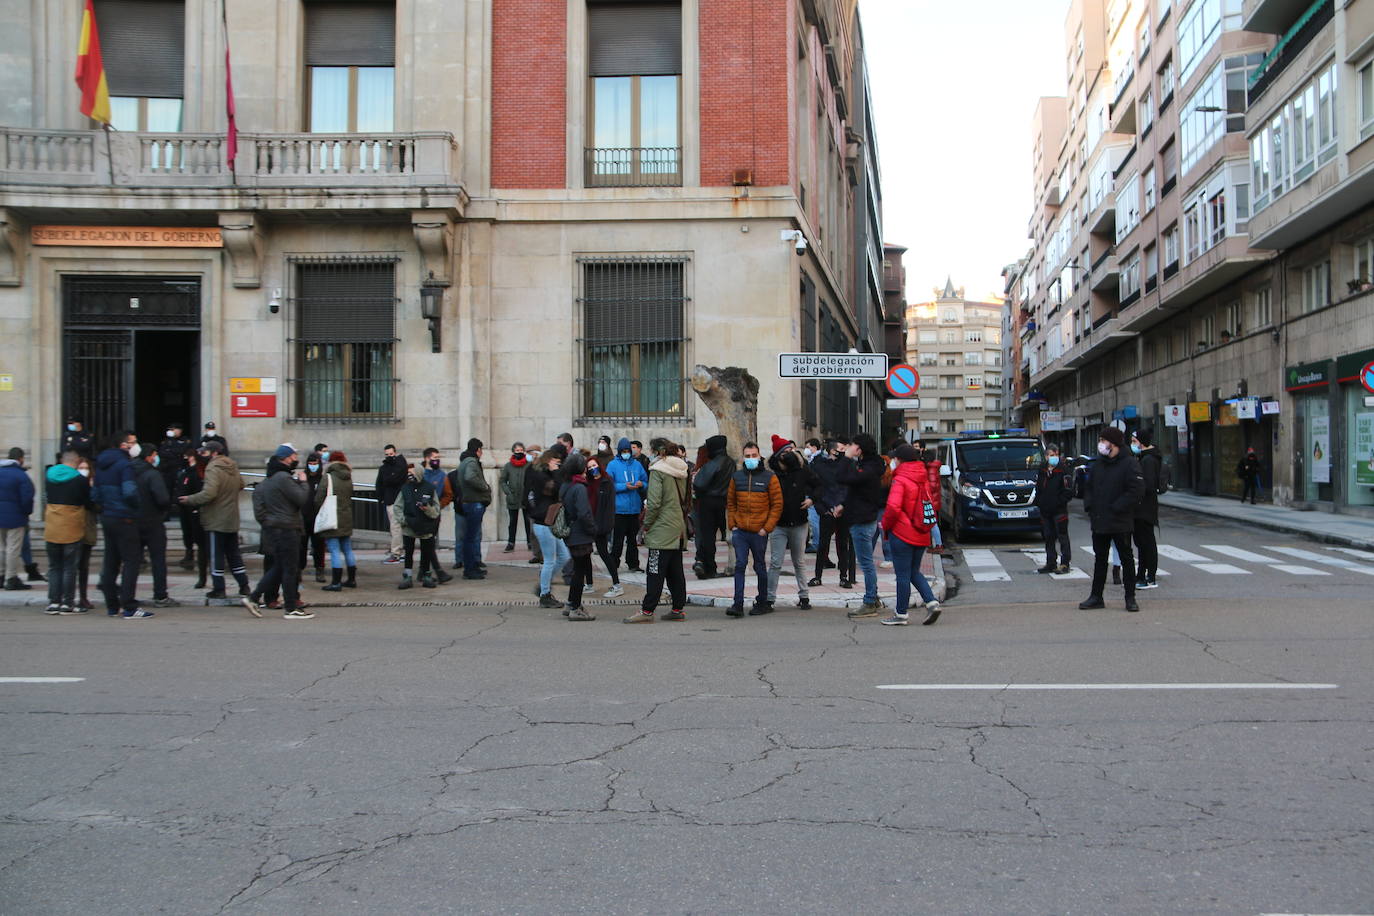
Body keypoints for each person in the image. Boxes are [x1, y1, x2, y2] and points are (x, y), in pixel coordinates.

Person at [1079, 427, 1145, 613]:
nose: (1100, 444)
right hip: (1100, 520)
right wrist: (1090, 506)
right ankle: (1096, 596)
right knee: (1100, 559)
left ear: (1113, 443)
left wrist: (1117, 507)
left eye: (1103, 440)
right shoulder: (1099, 464)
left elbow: (1136, 490)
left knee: (1126, 559)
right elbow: (1089, 487)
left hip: (1120, 520)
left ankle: (1130, 598)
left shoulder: (1129, 463)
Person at [625, 438, 690, 623]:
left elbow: (653, 503)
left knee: (654, 570)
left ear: (657, 452)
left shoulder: (658, 471)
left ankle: (647, 611)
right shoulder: (682, 469)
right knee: (675, 570)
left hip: (661, 528)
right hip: (678, 527)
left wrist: (646, 524)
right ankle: (678, 608)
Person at [247, 446, 313, 619]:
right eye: (293, 455)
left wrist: (269, 523)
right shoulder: (283, 478)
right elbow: (301, 499)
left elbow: (261, 511)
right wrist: (304, 482)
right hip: (287, 528)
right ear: (285, 458)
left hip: (276, 529)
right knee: (290, 569)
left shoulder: (269, 481)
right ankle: (291, 608)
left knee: (279, 568)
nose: (296, 458)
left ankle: (253, 597)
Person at [879, 444, 942, 626]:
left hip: (902, 533)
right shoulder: (922, 476)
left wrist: (885, 526)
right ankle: (931, 602)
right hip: (922, 532)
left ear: (898, 460)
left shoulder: (900, 479)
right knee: (914, 571)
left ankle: (900, 614)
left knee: (903, 575)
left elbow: (893, 508)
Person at [180, 441, 250, 601]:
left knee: (216, 554)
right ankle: (244, 585)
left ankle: (219, 588)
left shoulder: (213, 468)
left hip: (216, 517)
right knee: (234, 554)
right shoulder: (232, 466)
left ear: (214, 453)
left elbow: (209, 493)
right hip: (231, 517)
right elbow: (241, 485)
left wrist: (190, 499)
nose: (202, 456)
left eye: (204, 453)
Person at [94, 431, 150, 617]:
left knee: (111, 560)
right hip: (124, 517)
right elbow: (129, 492)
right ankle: (129, 606)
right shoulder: (124, 465)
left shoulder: (101, 464)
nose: (135, 446)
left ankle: (112, 605)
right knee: (131, 561)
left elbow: (95, 494)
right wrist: (135, 509)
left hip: (108, 516)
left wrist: (105, 508)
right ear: (122, 445)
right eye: (132, 442)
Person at [725, 442, 783, 617]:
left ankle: (763, 601)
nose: (750, 459)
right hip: (740, 530)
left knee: (759, 566)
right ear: (743, 457)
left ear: (760, 456)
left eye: (754, 455)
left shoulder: (769, 477)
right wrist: (733, 525)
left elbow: (777, 505)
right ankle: (738, 604)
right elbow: (731, 503)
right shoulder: (736, 477)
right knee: (740, 564)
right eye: (747, 456)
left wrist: (766, 528)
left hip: (759, 531)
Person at [837, 434, 887, 617]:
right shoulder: (869, 466)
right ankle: (872, 597)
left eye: (852, 445)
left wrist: (847, 457)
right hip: (861, 516)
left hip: (863, 520)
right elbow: (857, 491)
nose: (848, 447)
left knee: (866, 564)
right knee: (867, 563)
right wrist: (844, 505)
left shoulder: (868, 468)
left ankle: (870, 601)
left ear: (859, 449)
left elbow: (842, 477)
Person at [766, 440, 819, 611]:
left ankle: (804, 596)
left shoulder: (801, 468)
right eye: (785, 450)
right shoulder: (771, 471)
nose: (790, 453)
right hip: (778, 523)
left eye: (791, 449)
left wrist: (812, 499)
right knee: (776, 562)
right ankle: (769, 597)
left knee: (799, 561)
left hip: (799, 521)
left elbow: (818, 485)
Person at [43, 450, 89, 614]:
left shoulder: (49, 475)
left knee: (54, 566)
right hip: (71, 526)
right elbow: (87, 500)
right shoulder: (79, 479)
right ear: (76, 462)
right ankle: (67, 603)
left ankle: (53, 602)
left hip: (52, 526)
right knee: (70, 567)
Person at [132, 443, 178, 608]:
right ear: (150, 456)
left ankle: (128, 595)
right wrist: (163, 512)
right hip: (152, 522)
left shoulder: (129, 471)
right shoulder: (152, 474)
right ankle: (160, 595)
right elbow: (163, 499)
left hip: (132, 521)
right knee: (158, 560)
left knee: (133, 561)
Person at [527, 446, 570, 608]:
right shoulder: (541, 477)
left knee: (564, 556)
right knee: (550, 560)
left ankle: (543, 584)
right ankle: (545, 594)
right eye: (554, 461)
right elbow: (557, 489)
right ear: (548, 461)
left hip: (549, 522)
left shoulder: (548, 475)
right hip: (543, 523)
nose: (557, 465)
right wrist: (556, 472)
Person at [558, 452, 598, 621]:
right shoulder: (579, 487)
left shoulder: (566, 485)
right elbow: (584, 513)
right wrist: (593, 529)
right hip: (580, 534)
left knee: (578, 570)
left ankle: (572, 602)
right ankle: (575, 607)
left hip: (572, 532)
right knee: (580, 571)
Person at [395, 463, 447, 590]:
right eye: (409, 473)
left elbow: (436, 510)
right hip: (409, 525)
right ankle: (407, 576)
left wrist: (427, 508)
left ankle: (426, 576)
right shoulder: (405, 489)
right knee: (409, 552)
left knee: (426, 552)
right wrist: (403, 520)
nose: (410, 476)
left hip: (426, 526)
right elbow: (398, 506)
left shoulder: (429, 488)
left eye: (412, 473)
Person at [809, 438, 853, 588]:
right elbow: (815, 488)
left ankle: (843, 576)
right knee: (823, 544)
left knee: (842, 545)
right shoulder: (819, 467)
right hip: (826, 510)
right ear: (833, 451)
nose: (843, 452)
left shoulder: (847, 466)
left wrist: (843, 506)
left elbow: (850, 488)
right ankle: (817, 576)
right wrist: (823, 509)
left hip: (843, 510)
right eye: (841, 449)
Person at [312, 450, 356, 592]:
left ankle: (336, 582)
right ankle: (351, 579)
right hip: (346, 517)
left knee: (334, 550)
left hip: (332, 517)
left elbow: (319, 498)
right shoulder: (348, 476)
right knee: (347, 549)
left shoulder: (328, 477)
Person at [692, 435, 732, 579]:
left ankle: (707, 566)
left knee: (707, 536)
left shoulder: (713, 463)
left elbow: (699, 483)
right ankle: (704, 563)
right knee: (719, 536)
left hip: (709, 502)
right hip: (723, 502)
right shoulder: (730, 462)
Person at [607, 437, 648, 575]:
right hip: (619, 509)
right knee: (617, 541)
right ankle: (613, 564)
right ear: (619, 452)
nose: (626, 453)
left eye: (628, 451)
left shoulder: (637, 465)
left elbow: (645, 481)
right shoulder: (612, 465)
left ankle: (633, 564)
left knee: (632, 540)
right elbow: (608, 485)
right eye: (623, 451)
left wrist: (642, 485)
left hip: (634, 508)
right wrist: (624, 486)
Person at [585, 453, 622, 598]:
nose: (592, 469)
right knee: (586, 554)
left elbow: (609, 507)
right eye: (589, 467)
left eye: (594, 466)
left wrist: (604, 525)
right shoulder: (587, 483)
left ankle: (617, 584)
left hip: (600, 524)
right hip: (589, 523)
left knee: (603, 553)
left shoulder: (607, 482)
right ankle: (589, 584)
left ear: (599, 466)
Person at [1033, 444, 1074, 575]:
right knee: (1048, 537)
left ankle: (1065, 563)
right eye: (1051, 455)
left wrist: (1058, 503)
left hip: (1059, 511)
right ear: (1046, 456)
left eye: (1056, 455)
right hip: (1045, 511)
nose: (1054, 458)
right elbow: (1038, 488)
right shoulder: (1042, 470)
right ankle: (1051, 562)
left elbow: (1068, 491)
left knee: (1062, 537)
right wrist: (1039, 502)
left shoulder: (1064, 470)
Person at [1131, 431, 1164, 590]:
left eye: (1134, 441)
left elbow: (1148, 485)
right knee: (1143, 543)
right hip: (1143, 508)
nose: (1132, 444)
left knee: (1146, 543)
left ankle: (1149, 577)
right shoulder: (1145, 458)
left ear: (1141, 442)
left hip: (1144, 508)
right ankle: (1142, 575)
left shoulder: (1148, 460)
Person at [456, 438, 491, 579]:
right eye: (481, 449)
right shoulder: (471, 462)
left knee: (470, 537)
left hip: (470, 502)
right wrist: (484, 487)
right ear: (477, 450)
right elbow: (470, 477)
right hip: (474, 502)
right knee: (471, 538)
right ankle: (470, 569)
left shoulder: (465, 461)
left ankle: (473, 566)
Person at [0, 447, 35, 591]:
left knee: (1, 548)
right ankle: (11, 578)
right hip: (16, 517)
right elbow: (27, 498)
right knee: (13, 548)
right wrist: (26, 513)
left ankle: (1, 575)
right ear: (20, 459)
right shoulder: (21, 475)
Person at [174, 449, 210, 587]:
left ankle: (205, 578)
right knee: (201, 546)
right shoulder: (187, 473)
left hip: (199, 512)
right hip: (192, 512)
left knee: (203, 547)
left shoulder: (200, 473)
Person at [498, 443, 535, 554]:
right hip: (513, 498)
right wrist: (508, 492)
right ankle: (511, 543)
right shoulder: (508, 466)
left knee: (528, 521)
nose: (519, 452)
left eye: (521, 450)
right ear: (513, 451)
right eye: (517, 450)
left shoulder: (529, 465)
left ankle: (530, 542)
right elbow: (502, 480)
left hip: (525, 497)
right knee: (512, 521)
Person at [375, 444, 409, 564]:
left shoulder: (399, 465)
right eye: (387, 454)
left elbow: (391, 480)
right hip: (391, 500)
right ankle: (400, 551)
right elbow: (380, 483)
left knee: (396, 527)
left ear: (395, 453)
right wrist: (381, 498)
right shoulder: (385, 468)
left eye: (391, 454)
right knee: (396, 527)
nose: (389, 456)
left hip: (396, 500)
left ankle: (396, 553)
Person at [73, 455, 98, 610]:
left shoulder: (93, 485)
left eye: (86, 468)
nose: (83, 471)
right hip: (74, 527)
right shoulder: (73, 485)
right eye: (80, 468)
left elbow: (95, 506)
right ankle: (70, 597)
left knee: (83, 566)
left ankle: (83, 597)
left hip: (87, 528)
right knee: (73, 565)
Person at [300, 451, 327, 583]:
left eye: (315, 464)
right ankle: (299, 569)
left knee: (319, 547)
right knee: (301, 546)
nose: (312, 466)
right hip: (304, 518)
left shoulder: (322, 479)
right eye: (310, 464)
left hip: (318, 518)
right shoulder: (303, 479)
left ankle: (320, 569)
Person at [803, 438, 823, 552]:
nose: (806, 449)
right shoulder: (813, 459)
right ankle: (817, 543)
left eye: (808, 447)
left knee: (814, 520)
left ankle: (817, 544)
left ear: (814, 447)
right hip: (812, 493)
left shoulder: (818, 460)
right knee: (814, 519)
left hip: (814, 494)